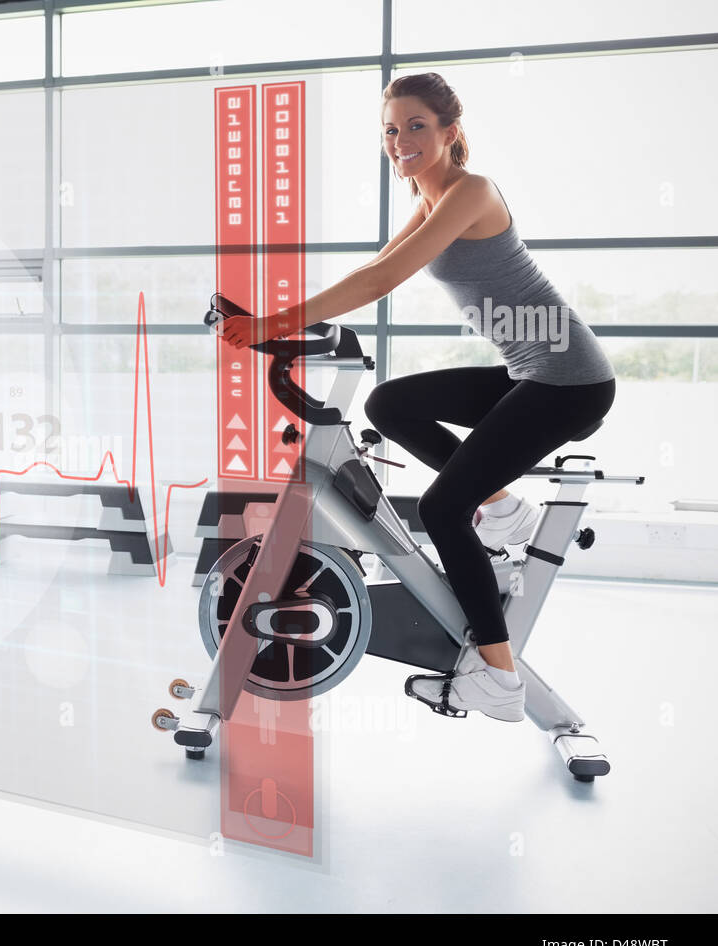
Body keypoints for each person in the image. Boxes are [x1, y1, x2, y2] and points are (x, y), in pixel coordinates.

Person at [216, 71, 616, 722]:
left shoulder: (471, 192)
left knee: (441, 508)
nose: (400, 140)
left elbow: (382, 278)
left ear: (451, 131)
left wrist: (270, 324)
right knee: (388, 405)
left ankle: (498, 678)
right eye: (391, 130)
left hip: (569, 380)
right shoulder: (430, 201)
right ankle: (507, 512)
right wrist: (285, 322)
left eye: (416, 126)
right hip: (529, 372)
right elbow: (373, 268)